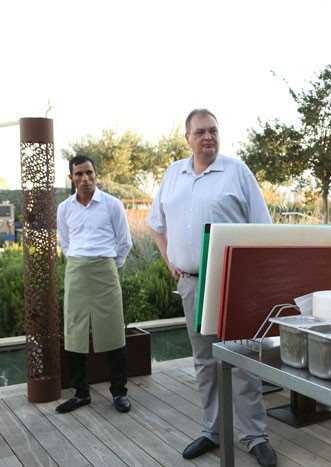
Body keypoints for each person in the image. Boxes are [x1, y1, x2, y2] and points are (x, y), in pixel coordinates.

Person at [147, 109, 277, 466]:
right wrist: (170, 260)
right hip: (191, 284)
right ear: (187, 138)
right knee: (205, 360)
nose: (208, 137)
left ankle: (254, 436)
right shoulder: (173, 174)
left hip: (233, 284)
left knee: (242, 358)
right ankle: (213, 431)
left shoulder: (237, 172)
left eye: (213, 131)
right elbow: (156, 224)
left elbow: (262, 229)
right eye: (200, 132)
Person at [56, 155, 133, 414]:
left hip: (105, 271)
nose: (85, 178)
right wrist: (80, 262)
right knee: (74, 332)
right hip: (76, 272)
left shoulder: (112, 204)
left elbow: (125, 242)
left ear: (95, 174)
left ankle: (119, 393)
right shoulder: (64, 208)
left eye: (89, 172)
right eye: (79, 174)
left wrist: (109, 265)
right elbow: (66, 243)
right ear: (71, 178)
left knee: (113, 331)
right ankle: (81, 393)